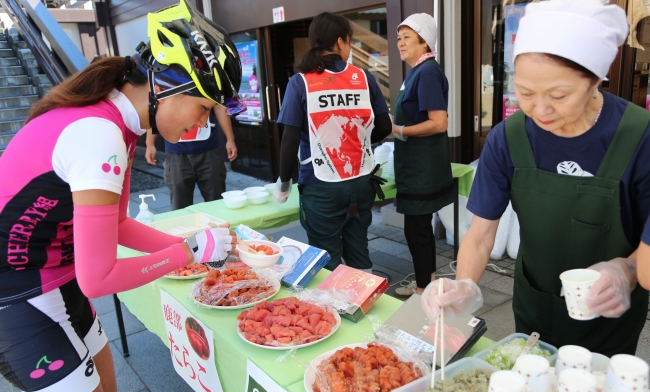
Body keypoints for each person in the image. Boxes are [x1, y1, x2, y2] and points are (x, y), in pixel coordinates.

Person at [0, 0, 243, 392]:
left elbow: (116, 224)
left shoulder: (119, 124)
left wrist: (195, 249)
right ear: (166, 84)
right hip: (17, 300)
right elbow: (99, 278)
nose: (201, 125)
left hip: (59, 279)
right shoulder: (99, 134)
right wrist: (185, 252)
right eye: (203, 108)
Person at [423, 0, 650, 357]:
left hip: (612, 312)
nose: (540, 110)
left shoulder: (640, 136)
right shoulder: (507, 138)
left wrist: (628, 270)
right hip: (536, 304)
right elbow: (481, 234)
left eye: (558, 96)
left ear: (595, 80)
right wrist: (464, 285)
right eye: (525, 93)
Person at [274, 12, 391, 272]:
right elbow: (384, 126)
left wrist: (284, 183)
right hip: (361, 180)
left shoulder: (300, 82)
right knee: (360, 250)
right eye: (349, 42)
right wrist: (358, 143)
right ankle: (364, 303)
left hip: (321, 185)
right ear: (340, 42)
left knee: (326, 260)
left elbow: (290, 139)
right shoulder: (363, 78)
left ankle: (332, 308)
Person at [390, 13, 454, 297]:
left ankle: (422, 292)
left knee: (417, 230)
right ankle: (425, 285)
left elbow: (439, 122)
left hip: (422, 168)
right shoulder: (418, 71)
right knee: (419, 229)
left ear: (424, 41)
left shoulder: (427, 72)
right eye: (398, 38)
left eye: (406, 37)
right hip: (417, 165)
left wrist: (400, 130)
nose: (400, 43)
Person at [145, 103, 238, 211]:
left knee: (217, 203)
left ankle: (220, 228)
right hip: (176, 154)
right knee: (180, 208)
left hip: (209, 150)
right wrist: (150, 143)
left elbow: (219, 107)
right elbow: (156, 111)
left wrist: (230, 139)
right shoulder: (163, 85)